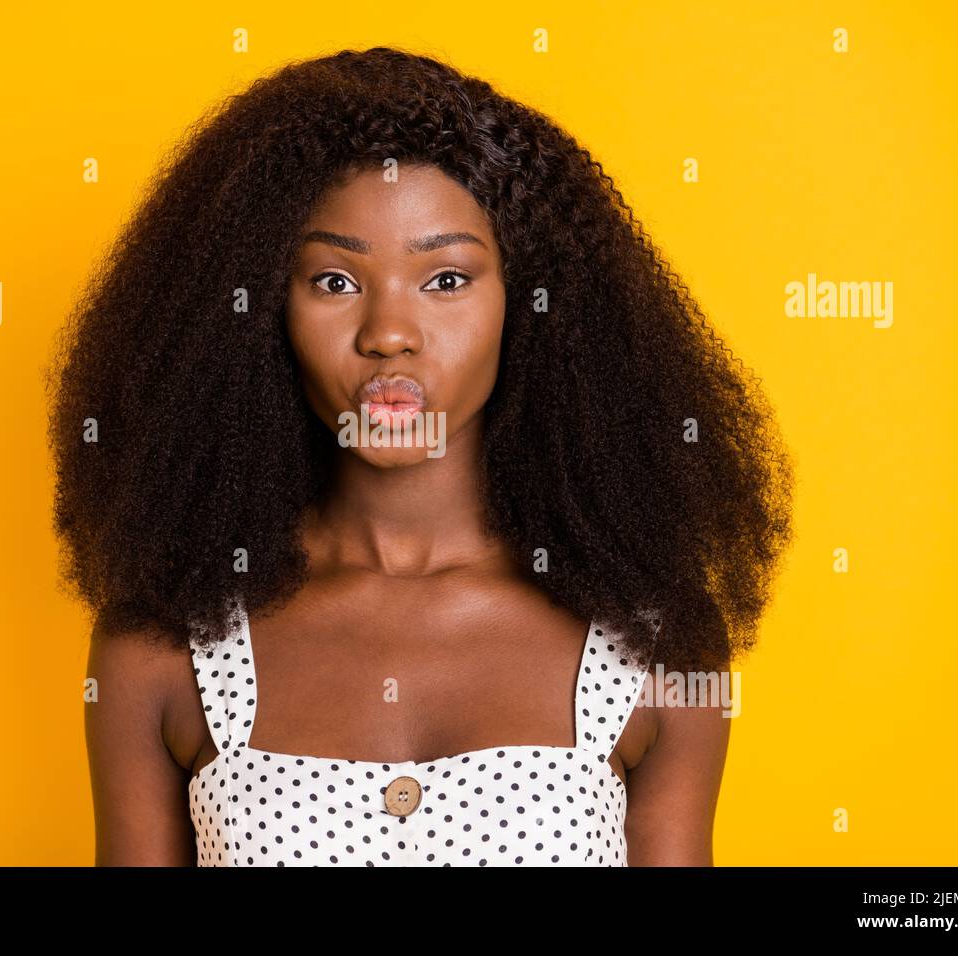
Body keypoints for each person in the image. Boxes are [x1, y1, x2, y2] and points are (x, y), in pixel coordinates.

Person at [46, 46, 795, 866]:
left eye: (446, 279)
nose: (388, 333)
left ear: (533, 305)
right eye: (334, 281)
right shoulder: (164, 641)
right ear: (259, 311)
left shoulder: (655, 645)